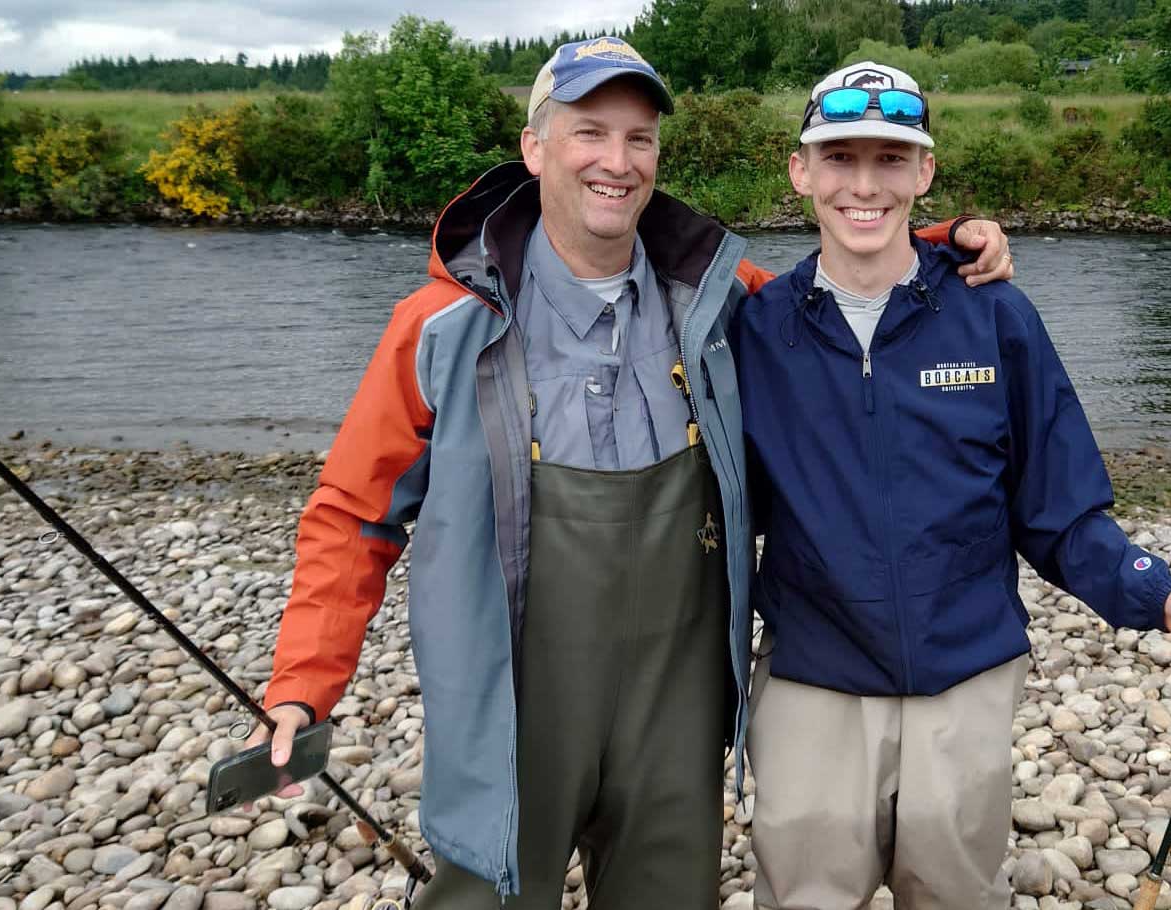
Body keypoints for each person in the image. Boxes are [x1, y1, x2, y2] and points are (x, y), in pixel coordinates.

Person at [240, 40, 1016, 908]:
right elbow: (355, 514)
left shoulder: (721, 300)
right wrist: (302, 688)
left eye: (639, 138)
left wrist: (939, 243)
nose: (617, 161)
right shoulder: (439, 329)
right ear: (535, 148)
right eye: (590, 133)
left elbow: (840, 287)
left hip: (675, 712)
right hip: (508, 710)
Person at [732, 62, 1171, 910]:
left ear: (925, 171)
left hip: (967, 671)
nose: (864, 186)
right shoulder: (754, 329)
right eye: (839, 158)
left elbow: (1058, 508)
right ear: (800, 172)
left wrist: (1156, 595)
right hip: (811, 675)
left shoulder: (996, 314)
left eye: (890, 159)